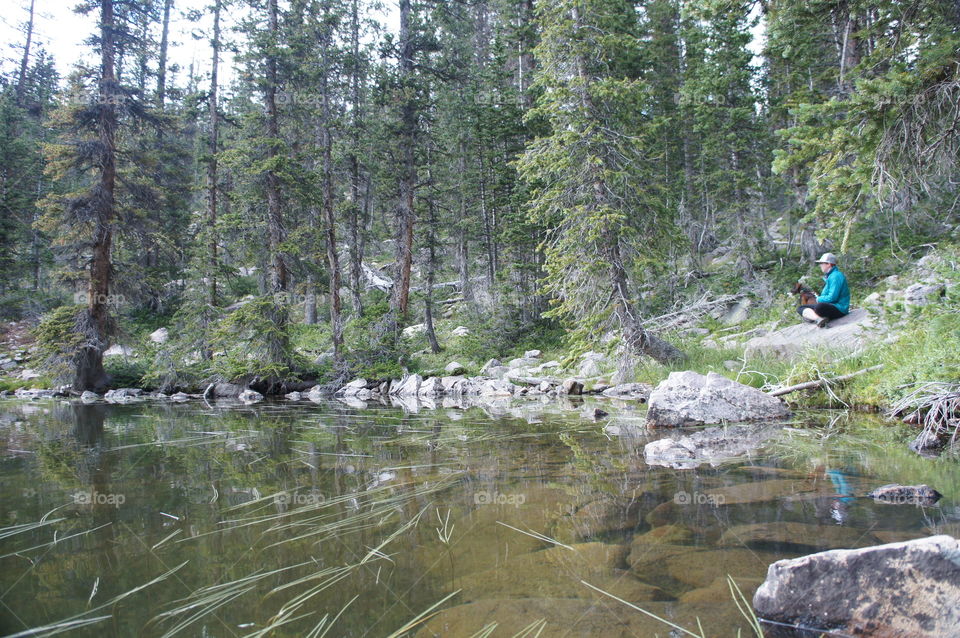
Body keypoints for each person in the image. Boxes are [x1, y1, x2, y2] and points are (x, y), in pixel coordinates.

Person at [797, 252, 849, 328]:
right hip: (832, 306)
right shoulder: (831, 276)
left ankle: (814, 317)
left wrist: (818, 299)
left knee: (819, 307)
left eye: (822, 263)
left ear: (829, 264)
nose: (820, 265)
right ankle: (818, 319)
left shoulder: (836, 276)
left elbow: (832, 297)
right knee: (800, 308)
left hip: (839, 308)